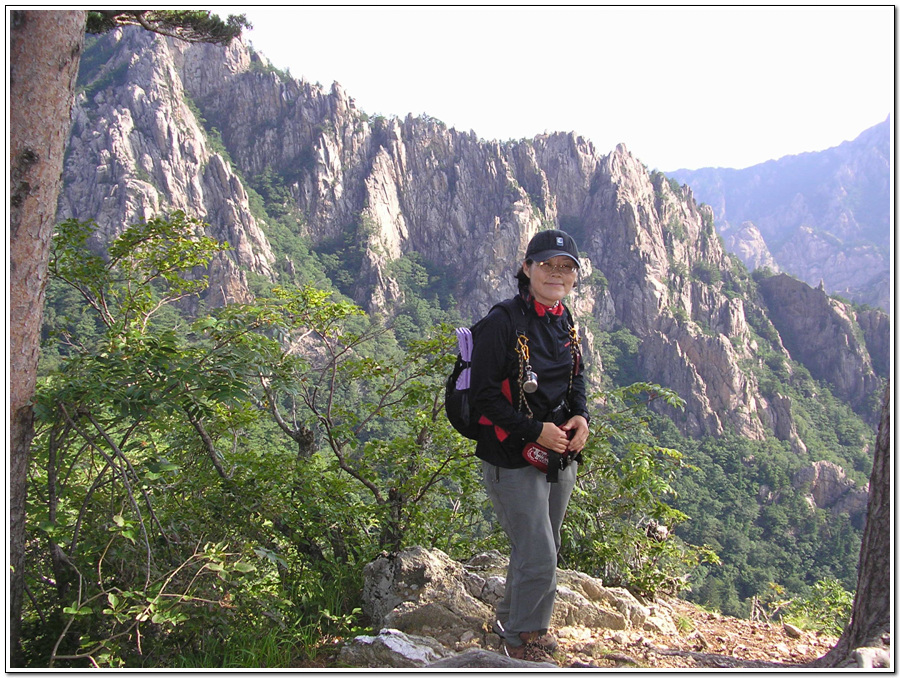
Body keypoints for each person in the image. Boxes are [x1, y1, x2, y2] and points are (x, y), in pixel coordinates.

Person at [469, 229, 590, 662]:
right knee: (539, 553)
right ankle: (523, 642)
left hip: (559, 454)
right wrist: (534, 430)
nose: (556, 273)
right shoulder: (502, 322)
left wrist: (581, 418)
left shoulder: (564, 320)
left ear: (574, 277)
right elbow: (483, 396)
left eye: (566, 267)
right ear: (526, 268)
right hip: (511, 456)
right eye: (547, 264)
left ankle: (509, 622)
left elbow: (576, 380)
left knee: (541, 545)